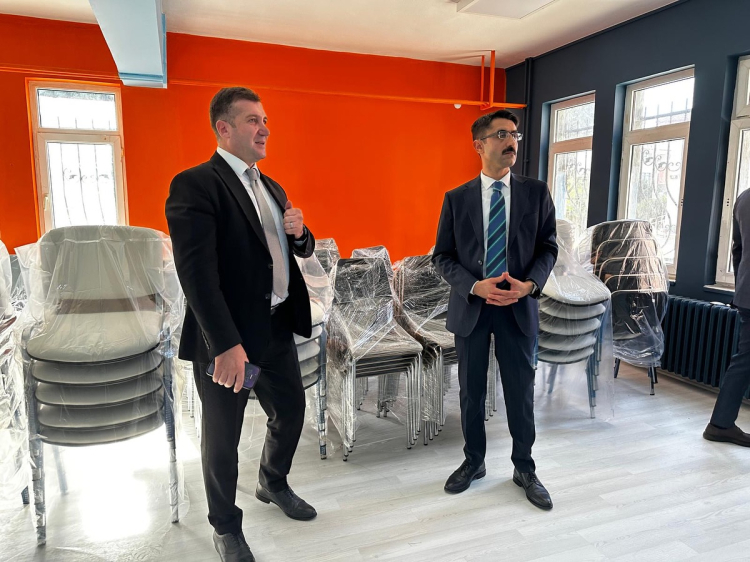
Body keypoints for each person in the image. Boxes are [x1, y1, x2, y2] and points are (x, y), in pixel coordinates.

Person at [166, 87, 316, 562]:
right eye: (253, 120)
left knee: (290, 411)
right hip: (231, 341)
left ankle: (272, 481)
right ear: (224, 128)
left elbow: (295, 250)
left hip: (274, 330)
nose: (264, 128)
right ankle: (225, 527)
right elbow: (196, 274)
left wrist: (301, 233)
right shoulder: (196, 184)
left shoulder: (272, 187)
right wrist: (225, 345)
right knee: (223, 438)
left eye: (265, 120)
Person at [432, 109, 558, 510]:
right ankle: (474, 461)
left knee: (520, 391)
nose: (512, 141)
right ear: (479, 145)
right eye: (501, 134)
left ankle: (524, 467)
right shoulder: (457, 198)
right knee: (471, 391)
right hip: (473, 306)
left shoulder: (536, 193)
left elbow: (549, 247)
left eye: (514, 134)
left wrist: (530, 285)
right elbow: (442, 256)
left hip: (518, 306)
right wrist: (474, 285)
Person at [704, 189, 750, 447]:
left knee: (743, 361)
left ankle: (721, 424)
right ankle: (720, 425)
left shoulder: (744, 198)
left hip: (746, 293)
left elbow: (738, 250)